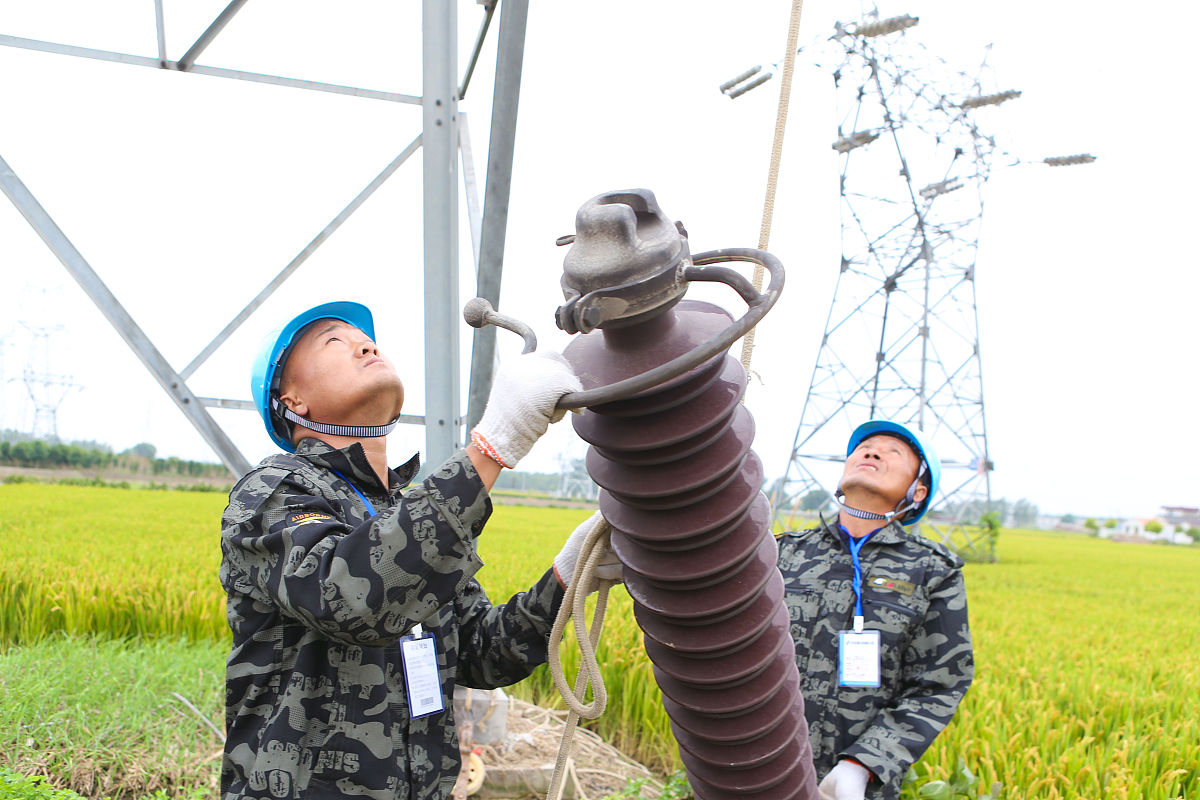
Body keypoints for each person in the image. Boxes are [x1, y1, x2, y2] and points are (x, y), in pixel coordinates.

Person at [219, 300, 614, 800]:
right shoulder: (274, 492)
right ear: (293, 401)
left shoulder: (405, 514)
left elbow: (483, 652)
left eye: (367, 340)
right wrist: (491, 447)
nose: (365, 344)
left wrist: (570, 572)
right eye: (334, 342)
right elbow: (351, 598)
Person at [777, 420, 974, 800]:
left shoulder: (932, 571)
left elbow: (939, 684)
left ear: (918, 490)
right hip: (756, 767)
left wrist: (863, 764)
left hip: (852, 786)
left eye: (892, 451)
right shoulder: (783, 553)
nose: (871, 452)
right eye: (864, 447)